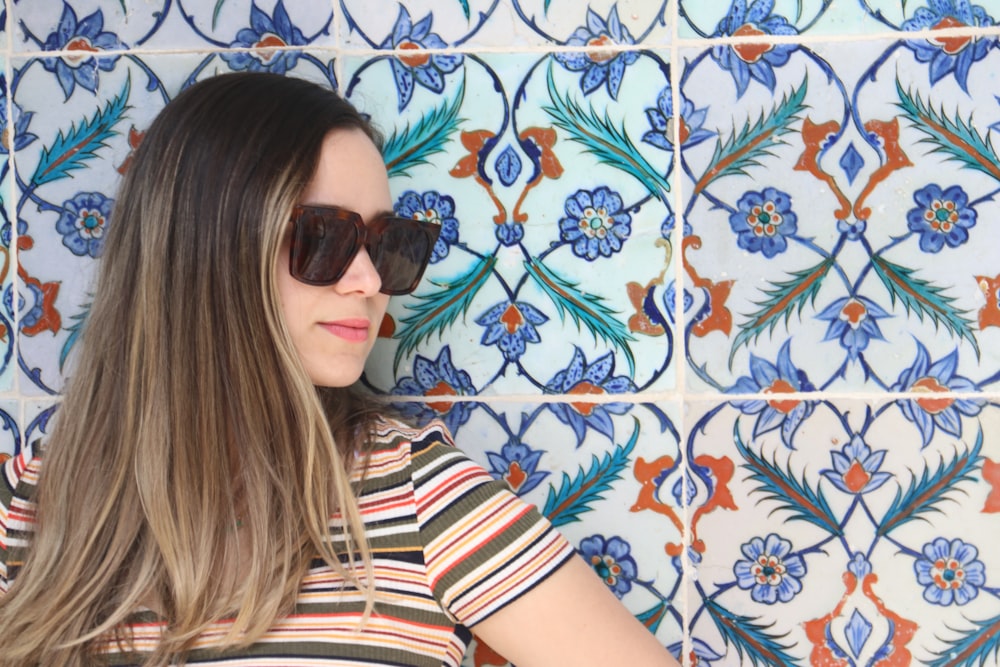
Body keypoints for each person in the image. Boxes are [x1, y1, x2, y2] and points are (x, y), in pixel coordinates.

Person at [0, 72, 678, 666]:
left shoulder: (420, 495)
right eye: (321, 238)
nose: (367, 281)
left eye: (389, 243)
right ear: (203, 252)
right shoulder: (28, 508)